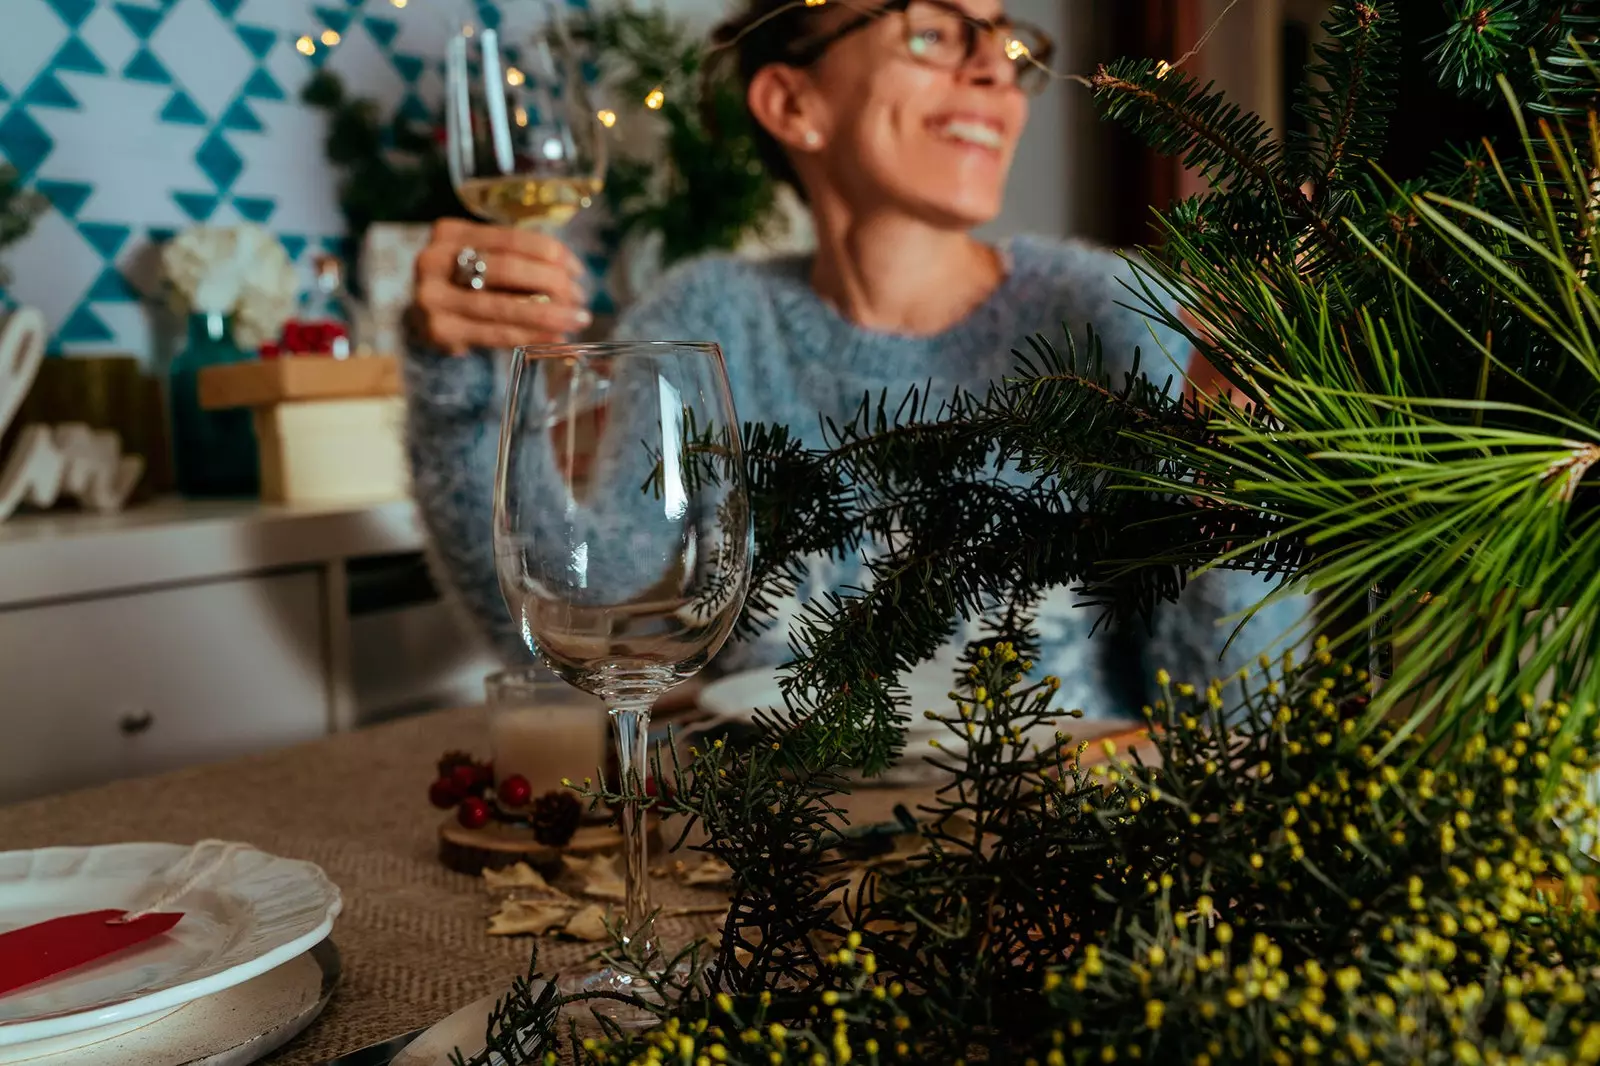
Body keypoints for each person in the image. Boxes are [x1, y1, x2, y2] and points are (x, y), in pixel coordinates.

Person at [402, 0, 1306, 718]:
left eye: (1004, 40)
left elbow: (1242, 712)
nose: (996, 68)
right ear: (793, 103)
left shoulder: (1109, 314)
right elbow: (566, 627)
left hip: (1062, 858)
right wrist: (457, 379)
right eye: (934, 30)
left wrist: (1235, 453)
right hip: (782, 875)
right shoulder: (711, 319)